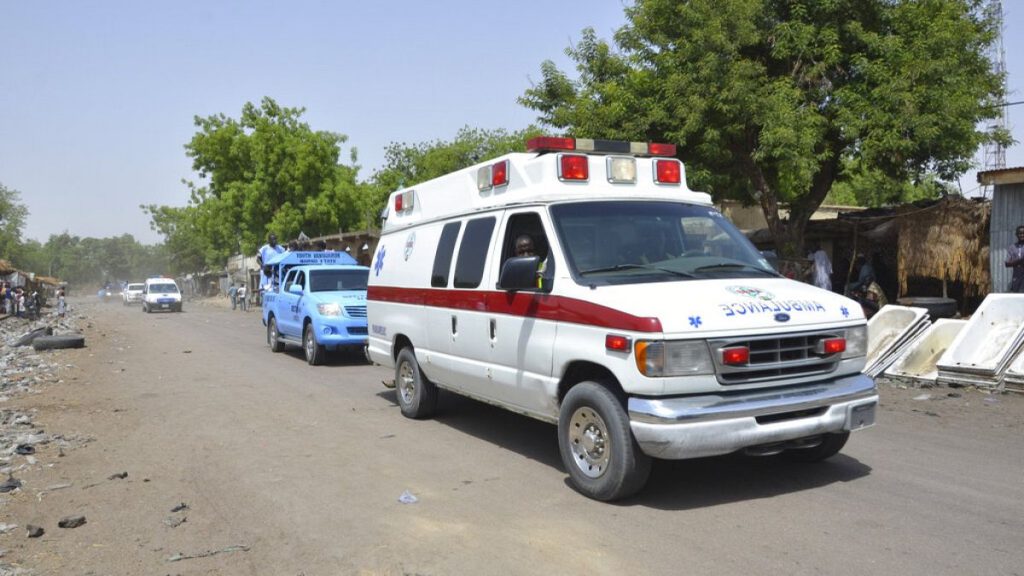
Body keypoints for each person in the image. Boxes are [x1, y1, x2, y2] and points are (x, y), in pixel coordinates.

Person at [1005, 226, 1024, 292]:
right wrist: (1021, 260)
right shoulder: (1012, 247)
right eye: (1020, 233)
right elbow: (1007, 263)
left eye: (1023, 233)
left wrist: (1015, 262)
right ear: (1016, 234)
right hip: (1016, 279)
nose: (1022, 235)